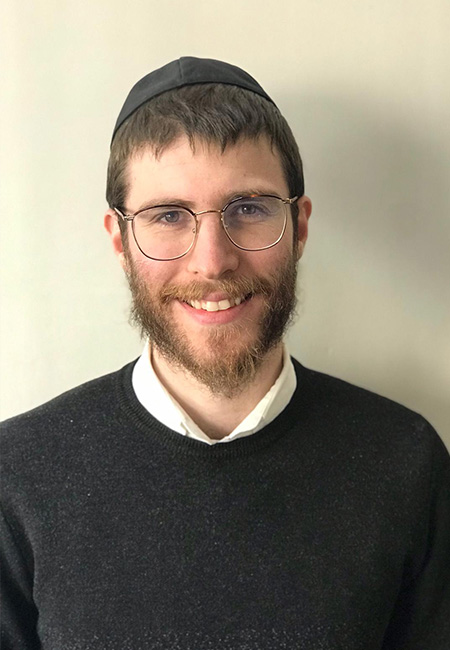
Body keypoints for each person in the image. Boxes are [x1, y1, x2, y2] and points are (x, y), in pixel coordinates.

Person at [1, 57, 449, 650]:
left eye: (248, 209)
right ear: (119, 241)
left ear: (300, 226)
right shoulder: (21, 473)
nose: (212, 261)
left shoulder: (405, 460)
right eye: (167, 216)